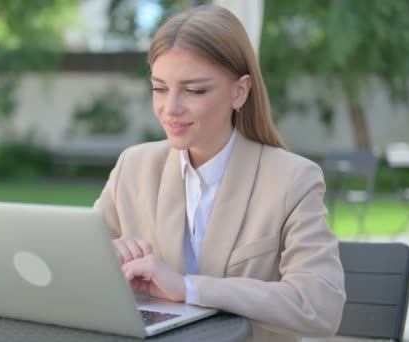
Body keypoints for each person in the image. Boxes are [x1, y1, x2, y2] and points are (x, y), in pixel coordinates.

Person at [94, 5, 345, 342]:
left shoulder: (292, 180)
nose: (170, 108)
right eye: (159, 88)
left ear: (239, 91)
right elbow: (76, 266)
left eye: (194, 90)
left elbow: (320, 306)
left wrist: (188, 288)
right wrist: (108, 259)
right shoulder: (134, 167)